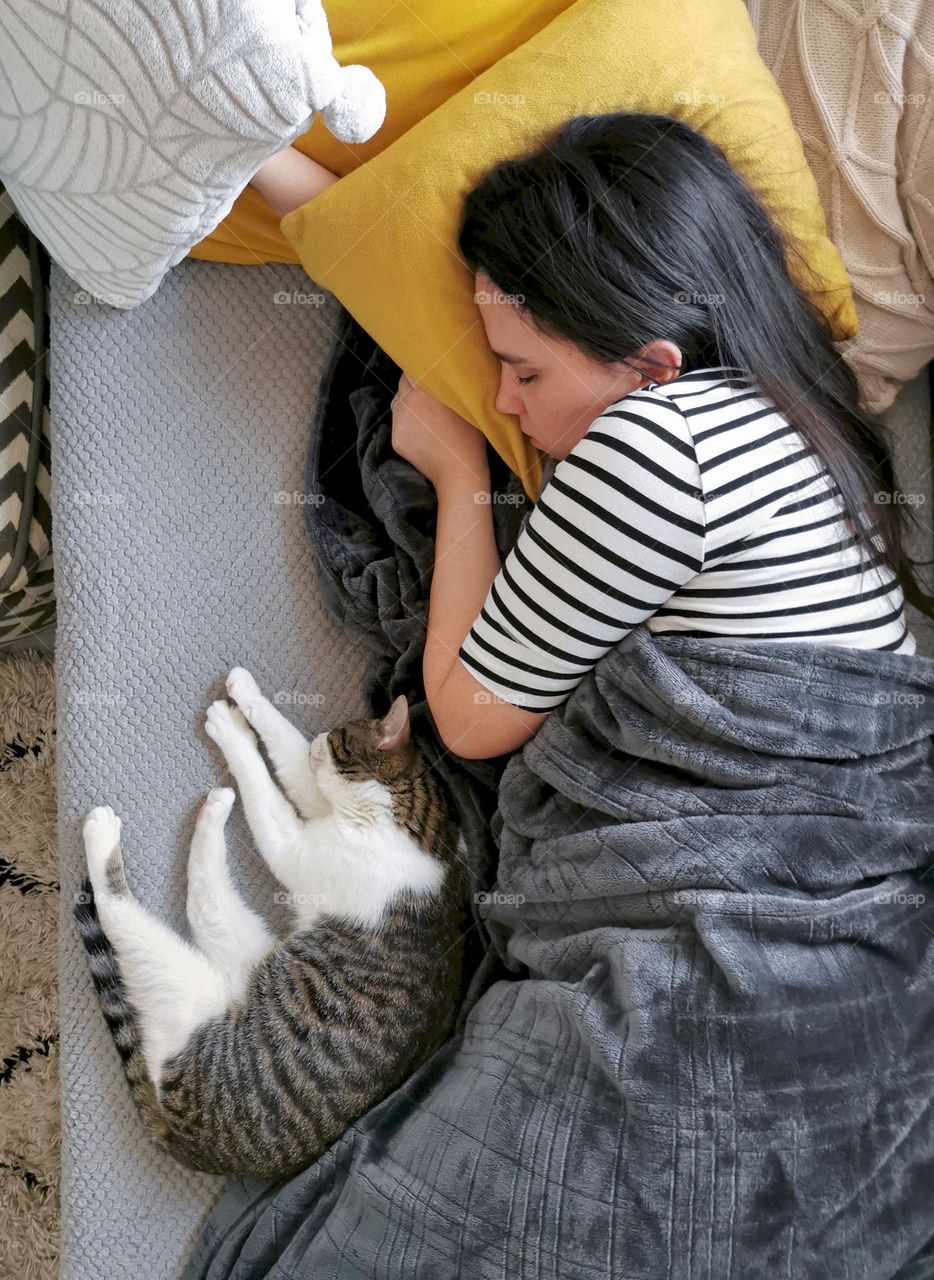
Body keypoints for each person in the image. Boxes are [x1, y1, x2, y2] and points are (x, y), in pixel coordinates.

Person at [251, 113, 934, 762]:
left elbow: (467, 719)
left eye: (527, 374)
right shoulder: (793, 403)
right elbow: (401, 259)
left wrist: (460, 475)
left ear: (653, 367)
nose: (500, 400)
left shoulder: (655, 446)